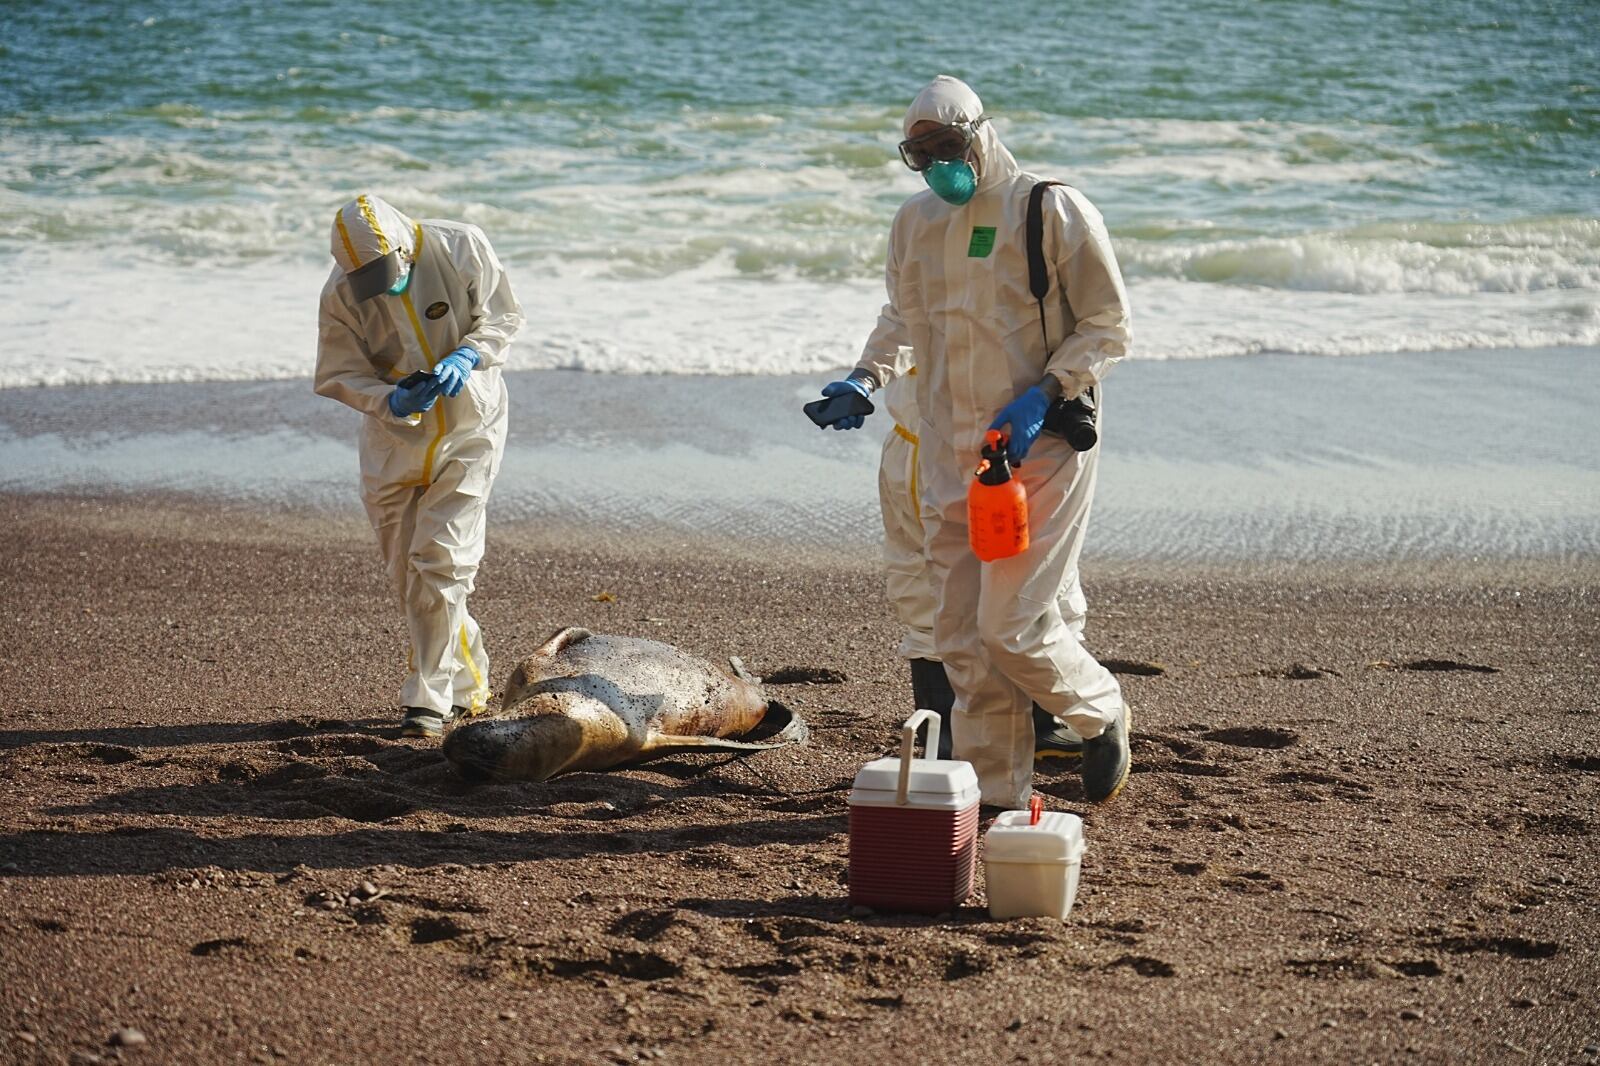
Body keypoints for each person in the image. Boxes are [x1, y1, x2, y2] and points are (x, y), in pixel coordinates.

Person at [814, 76, 1131, 808]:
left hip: (1038, 447)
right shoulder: (915, 223)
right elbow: (902, 318)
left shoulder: (1049, 209)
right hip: (949, 452)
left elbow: (1108, 326)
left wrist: (1042, 393)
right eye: (919, 155)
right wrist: (863, 379)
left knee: (1012, 626)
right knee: (960, 636)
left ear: (980, 133)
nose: (937, 167)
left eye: (947, 148)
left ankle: (1099, 708)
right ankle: (995, 798)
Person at [314, 194, 525, 739]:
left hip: (469, 431)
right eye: (368, 279)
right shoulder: (343, 292)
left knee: (441, 561)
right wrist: (389, 400)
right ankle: (467, 680)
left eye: (388, 274)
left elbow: (504, 315)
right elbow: (339, 371)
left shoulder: (461, 246)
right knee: (412, 577)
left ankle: (427, 702)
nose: (380, 288)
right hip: (394, 443)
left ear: (406, 246)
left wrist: (468, 355)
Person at [875, 371, 1085, 762]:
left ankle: (1040, 723)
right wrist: (866, 375)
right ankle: (945, 734)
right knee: (930, 588)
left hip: (1013, 444)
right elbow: (901, 325)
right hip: (932, 449)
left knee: (1042, 577)